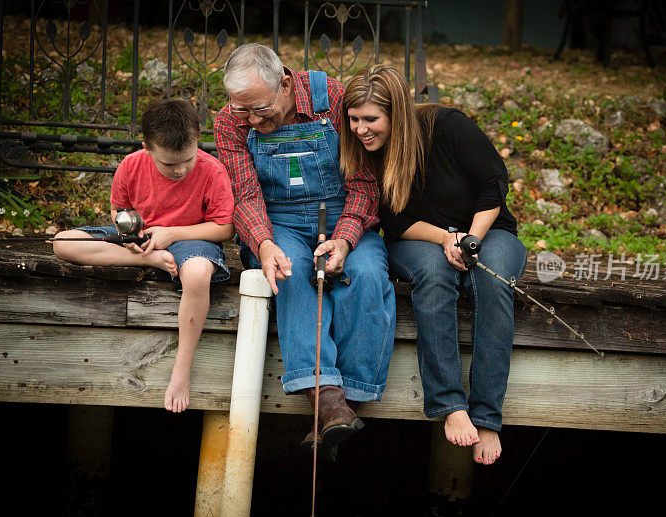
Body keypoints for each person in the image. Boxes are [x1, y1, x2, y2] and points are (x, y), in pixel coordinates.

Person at [213, 44, 395, 455]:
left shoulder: (333, 98)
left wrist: (345, 238)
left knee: (366, 274)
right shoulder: (229, 121)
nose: (254, 120)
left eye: (260, 108)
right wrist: (262, 243)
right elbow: (244, 194)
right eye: (244, 112)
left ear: (284, 82)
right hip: (277, 222)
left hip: (346, 213)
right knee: (290, 271)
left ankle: (352, 396)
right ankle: (328, 401)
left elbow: (365, 182)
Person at [341, 65, 527, 465]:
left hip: (488, 228)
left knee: (492, 283)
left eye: (370, 119)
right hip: (416, 237)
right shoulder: (366, 150)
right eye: (354, 120)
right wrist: (445, 238)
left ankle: (487, 415)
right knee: (435, 273)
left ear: (397, 114)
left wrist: (471, 238)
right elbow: (394, 220)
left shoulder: (447, 126)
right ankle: (449, 404)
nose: (361, 129)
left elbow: (494, 181)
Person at [53, 99, 235, 414]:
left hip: (191, 238)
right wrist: (133, 240)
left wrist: (174, 234)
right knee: (62, 242)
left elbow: (224, 228)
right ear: (147, 149)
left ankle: (182, 366)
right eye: (169, 164)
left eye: (187, 160)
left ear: (197, 143)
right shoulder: (131, 165)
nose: (180, 170)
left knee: (196, 274)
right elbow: (119, 210)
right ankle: (145, 261)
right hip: (144, 240)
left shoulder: (212, 170)